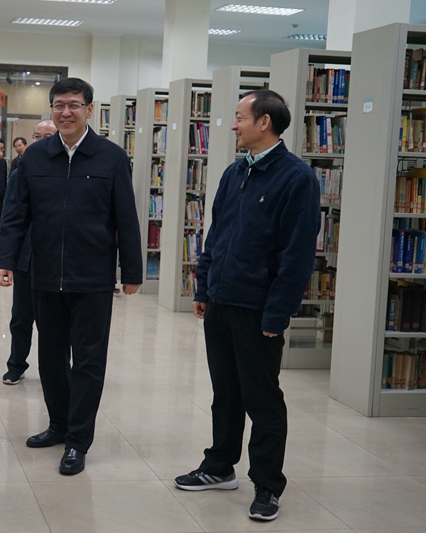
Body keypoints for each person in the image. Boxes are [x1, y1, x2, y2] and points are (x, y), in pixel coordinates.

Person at [173, 89, 320, 522]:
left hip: (258, 309)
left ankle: (268, 485)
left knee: (262, 399)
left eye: (239, 117)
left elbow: (297, 255)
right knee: (225, 393)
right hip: (221, 300)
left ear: (264, 122)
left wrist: (278, 312)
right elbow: (216, 235)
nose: (233, 125)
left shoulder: (296, 178)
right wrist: (203, 287)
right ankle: (220, 466)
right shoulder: (234, 172)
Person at [0, 78, 142, 476]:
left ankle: (78, 440)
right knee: (50, 357)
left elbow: (126, 218)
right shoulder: (35, 158)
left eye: (74, 105)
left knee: (89, 361)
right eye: (59, 105)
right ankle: (58, 425)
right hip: (44, 275)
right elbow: (16, 213)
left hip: (92, 278)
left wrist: (131, 270)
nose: (66, 112)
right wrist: (5, 259)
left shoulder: (111, 158)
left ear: (89, 110)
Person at [1, 120, 57, 386]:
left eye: (48, 136)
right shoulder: (20, 173)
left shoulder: (68, 171)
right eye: (37, 136)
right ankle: (16, 365)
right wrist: (7, 260)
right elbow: (10, 219)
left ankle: (55, 370)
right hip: (27, 258)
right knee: (21, 318)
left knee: (54, 323)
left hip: (56, 261)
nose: (41, 140)